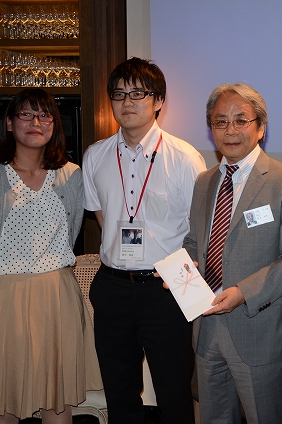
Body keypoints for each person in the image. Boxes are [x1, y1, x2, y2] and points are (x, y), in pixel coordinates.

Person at [0, 88, 101, 423]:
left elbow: (75, 226)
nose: (36, 122)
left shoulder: (72, 175)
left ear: (55, 125)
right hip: (4, 296)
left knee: (57, 399)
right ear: (9, 123)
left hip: (58, 294)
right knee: (2, 399)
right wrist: (12, 268)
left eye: (45, 115)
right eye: (26, 114)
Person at [83, 57, 206, 424]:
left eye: (138, 94)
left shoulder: (185, 157)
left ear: (159, 101)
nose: (127, 102)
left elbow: (198, 228)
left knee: (174, 389)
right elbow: (101, 216)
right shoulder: (96, 155)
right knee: (119, 391)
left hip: (168, 285)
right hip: (113, 285)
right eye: (119, 94)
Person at [184, 83, 282, 424]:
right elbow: (194, 242)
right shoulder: (204, 182)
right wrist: (181, 270)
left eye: (241, 120)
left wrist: (243, 292)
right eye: (220, 122)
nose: (230, 130)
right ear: (211, 129)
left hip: (259, 330)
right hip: (207, 328)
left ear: (261, 127)